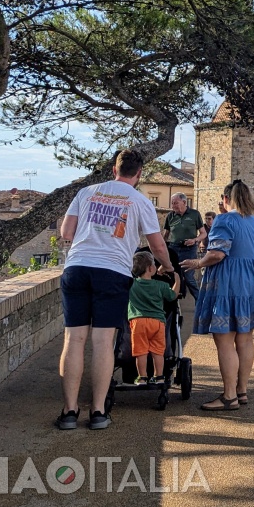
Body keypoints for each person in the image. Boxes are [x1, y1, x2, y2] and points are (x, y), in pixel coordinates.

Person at [56, 148, 173, 430]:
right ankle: (97, 412)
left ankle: (70, 411)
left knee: (74, 340)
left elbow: (66, 233)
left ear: (114, 170)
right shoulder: (139, 201)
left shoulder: (86, 193)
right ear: (139, 173)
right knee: (102, 342)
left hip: (77, 268)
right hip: (112, 272)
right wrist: (168, 267)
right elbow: (157, 245)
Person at [180, 180, 254, 411]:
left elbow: (218, 253)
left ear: (226, 199)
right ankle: (241, 390)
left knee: (225, 339)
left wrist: (198, 262)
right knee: (245, 337)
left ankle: (229, 396)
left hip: (231, 282)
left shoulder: (224, 219)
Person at [128, 251, 178, 385]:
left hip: (138, 321)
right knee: (157, 351)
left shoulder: (132, 284)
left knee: (141, 351)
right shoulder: (160, 285)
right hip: (157, 322)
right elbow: (172, 295)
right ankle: (159, 377)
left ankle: (142, 377)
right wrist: (177, 279)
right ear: (151, 268)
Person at [164, 193, 205, 299]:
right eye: (172, 203)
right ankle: (174, 300)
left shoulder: (194, 214)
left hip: (189, 249)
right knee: (173, 274)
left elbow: (203, 233)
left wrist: (194, 240)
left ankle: (200, 301)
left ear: (184, 202)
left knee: (188, 277)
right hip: (173, 248)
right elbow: (166, 235)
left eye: (176, 203)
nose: (173, 205)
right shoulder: (170, 216)